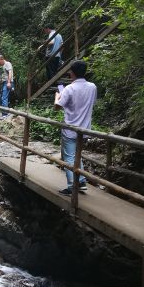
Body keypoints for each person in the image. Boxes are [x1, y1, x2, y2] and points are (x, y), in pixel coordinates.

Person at [54, 60, 97, 195]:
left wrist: (57, 97)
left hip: (70, 128)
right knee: (76, 155)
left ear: (72, 72)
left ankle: (72, 185)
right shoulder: (92, 87)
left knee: (69, 157)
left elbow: (57, 107)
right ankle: (82, 181)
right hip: (84, 128)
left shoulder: (69, 89)